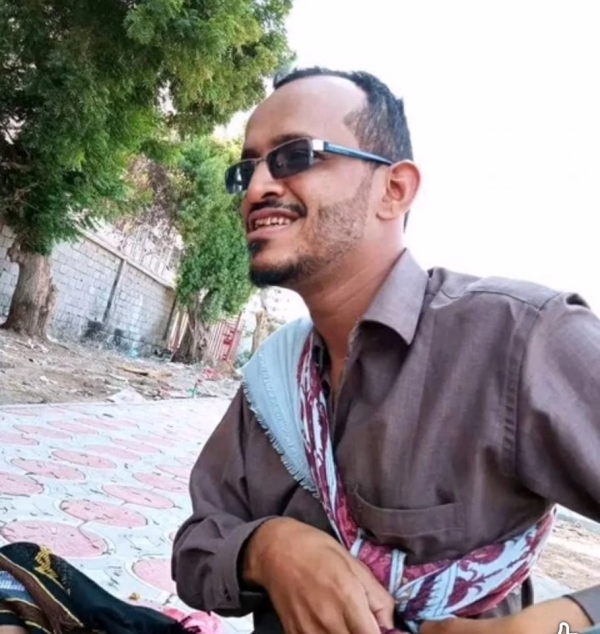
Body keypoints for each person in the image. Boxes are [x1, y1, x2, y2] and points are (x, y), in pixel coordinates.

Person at [171, 66, 600, 634]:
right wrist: (269, 550)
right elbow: (196, 545)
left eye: (295, 156)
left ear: (394, 190)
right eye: (246, 170)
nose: (256, 188)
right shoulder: (277, 378)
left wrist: (560, 624)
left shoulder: (518, 338)